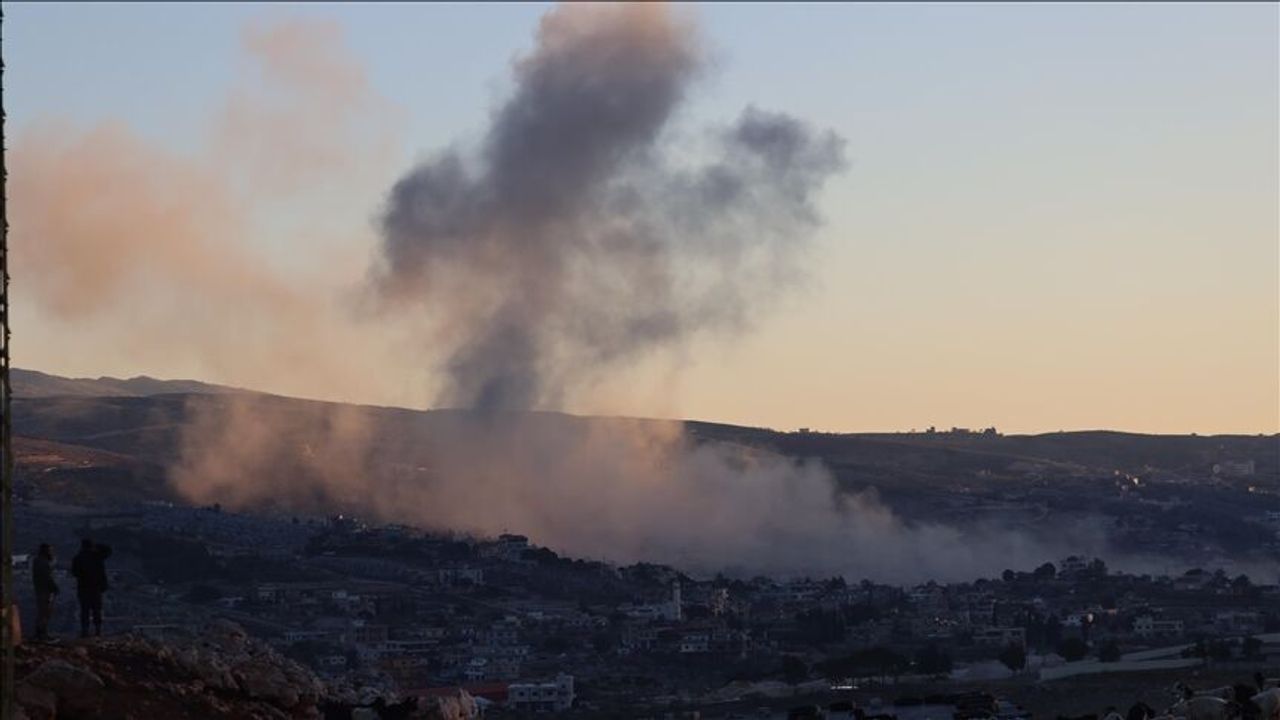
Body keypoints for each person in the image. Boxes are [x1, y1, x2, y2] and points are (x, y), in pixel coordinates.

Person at [70, 538, 112, 638]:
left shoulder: (78, 558)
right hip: (96, 587)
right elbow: (108, 550)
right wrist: (96, 546)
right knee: (97, 609)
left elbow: (74, 572)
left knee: (84, 610)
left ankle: (85, 630)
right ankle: (98, 630)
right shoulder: (97, 556)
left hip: (83, 587)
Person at [31, 543, 59, 641]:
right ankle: (42, 634)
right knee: (44, 613)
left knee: (43, 613)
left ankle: (40, 633)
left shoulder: (38, 561)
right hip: (45, 590)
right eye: (50, 550)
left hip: (42, 589)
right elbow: (47, 577)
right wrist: (54, 587)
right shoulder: (42, 563)